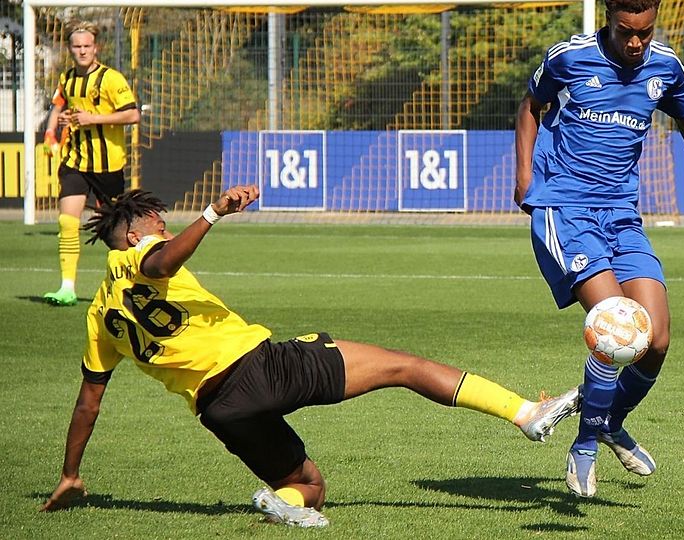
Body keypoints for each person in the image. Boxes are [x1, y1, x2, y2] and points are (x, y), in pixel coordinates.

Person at [40, 185, 581, 528]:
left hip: (218, 409)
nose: (165, 226)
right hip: (258, 368)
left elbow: (89, 400)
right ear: (133, 234)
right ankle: (527, 415)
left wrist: (70, 473)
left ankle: (282, 506)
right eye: (158, 222)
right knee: (404, 366)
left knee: (309, 488)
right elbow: (160, 264)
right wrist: (212, 213)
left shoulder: (98, 316)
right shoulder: (140, 255)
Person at [514, 0, 684, 498]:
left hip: (622, 215)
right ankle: (585, 446)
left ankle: (609, 420)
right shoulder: (567, 58)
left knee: (656, 339)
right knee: (616, 321)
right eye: (625, 33)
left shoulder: (666, 67)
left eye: (644, 32)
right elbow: (531, 106)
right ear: (610, 19)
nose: (636, 43)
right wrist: (525, 174)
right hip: (565, 208)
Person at [42, 20, 141, 306]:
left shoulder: (111, 79)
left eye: (87, 46)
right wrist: (53, 132)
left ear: (95, 48)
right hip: (75, 161)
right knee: (67, 221)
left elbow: (133, 115)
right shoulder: (67, 78)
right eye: (77, 46)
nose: (82, 51)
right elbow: (59, 106)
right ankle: (67, 287)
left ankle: (128, 287)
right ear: (70, 49)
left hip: (108, 166)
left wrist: (92, 119)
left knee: (116, 229)